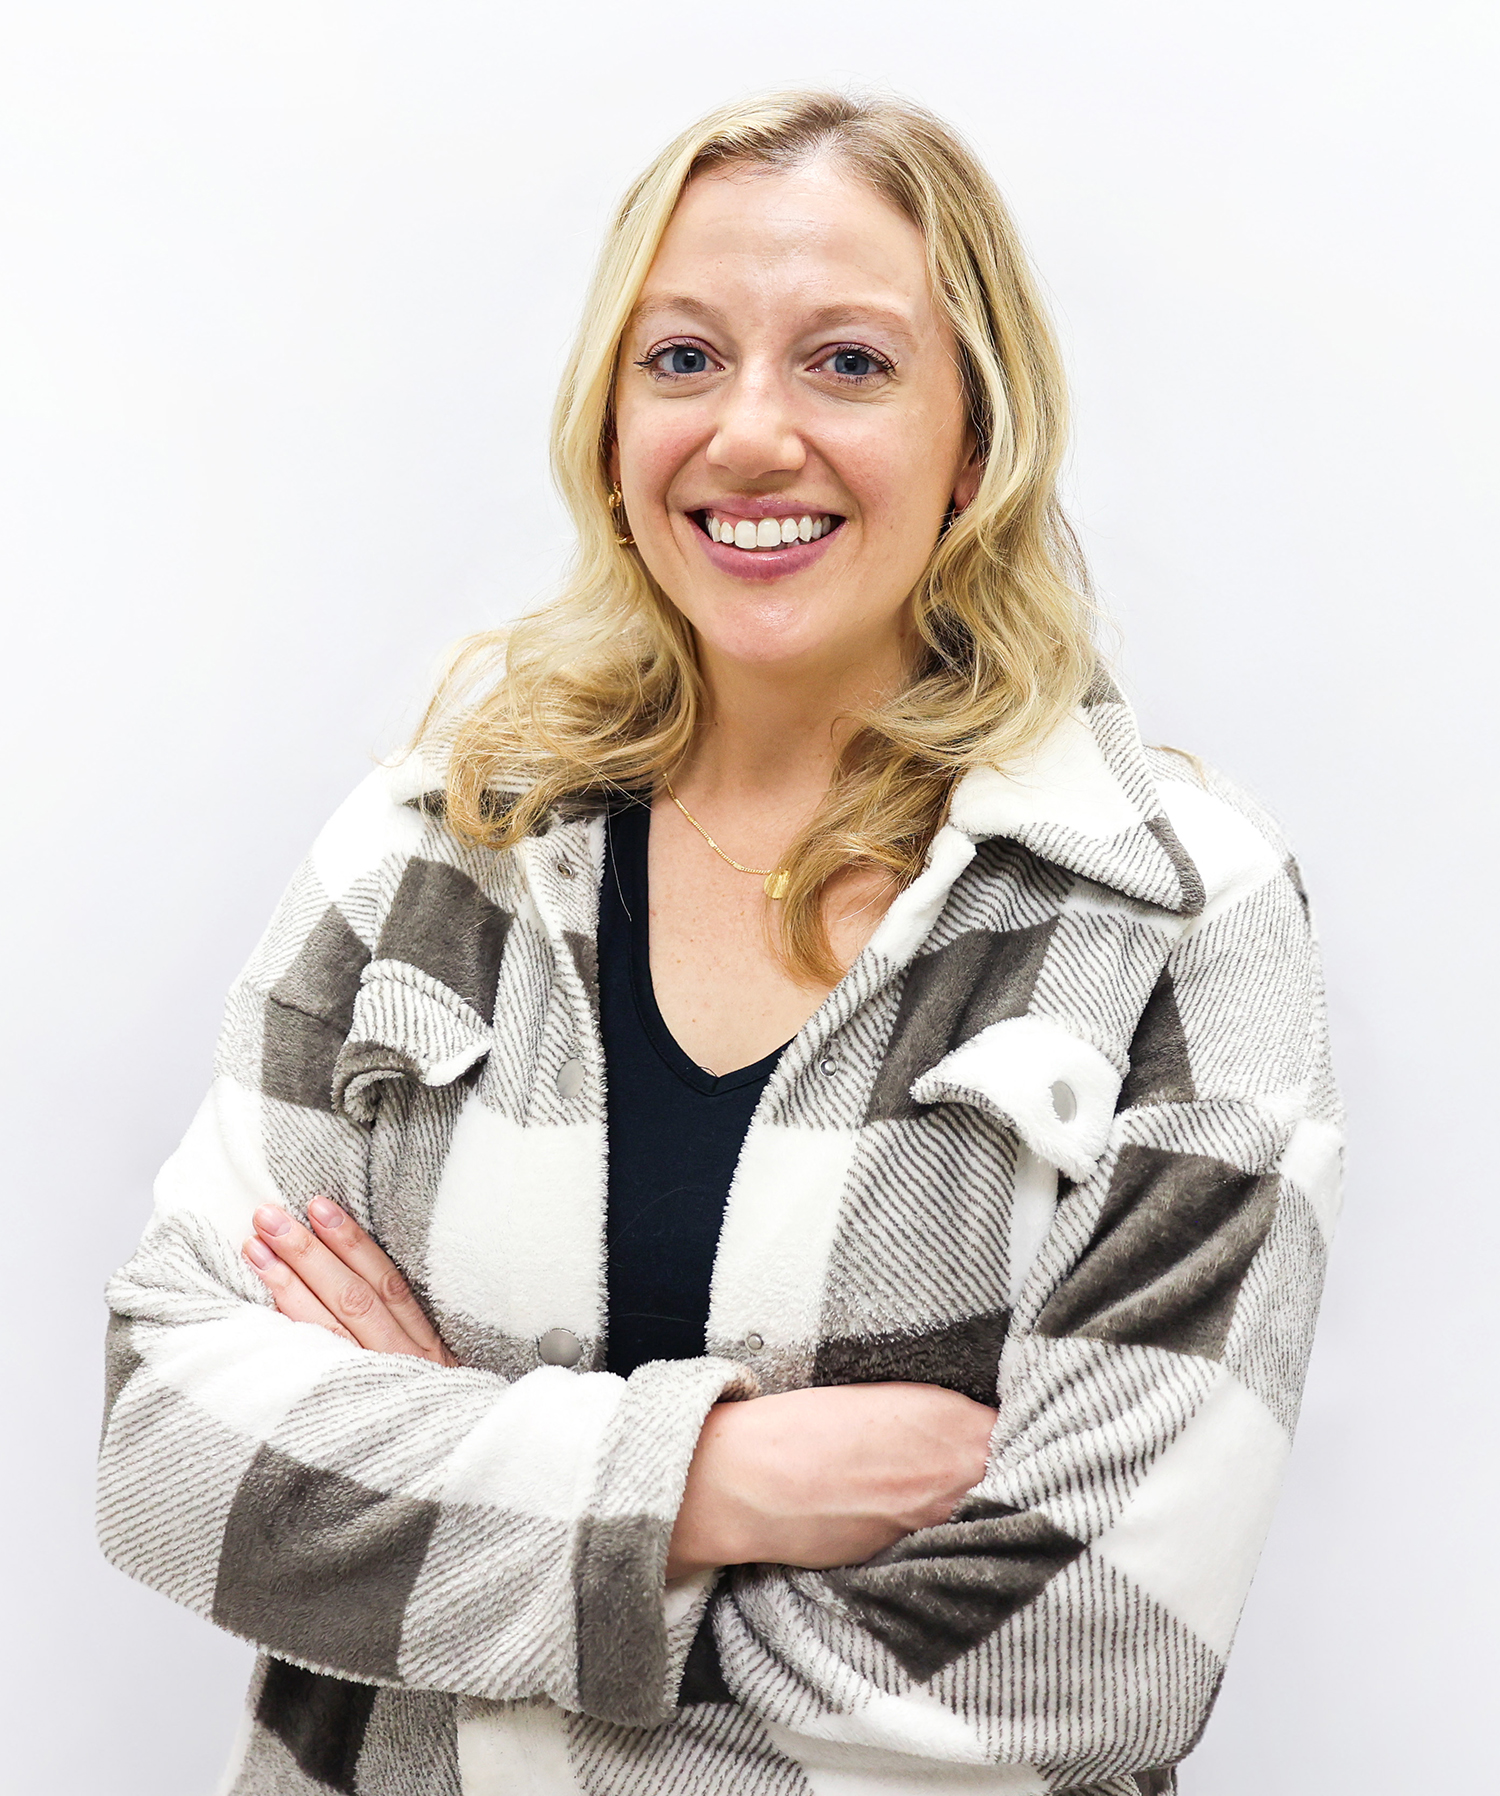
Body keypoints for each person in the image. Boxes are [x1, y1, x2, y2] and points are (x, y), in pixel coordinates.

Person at [98, 89, 1341, 1796]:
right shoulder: (424, 862)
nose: (752, 434)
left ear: (975, 439)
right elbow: (171, 1447)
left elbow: (1094, 1651)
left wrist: (451, 1504)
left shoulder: (1168, 911)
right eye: (683, 360)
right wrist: (707, 1487)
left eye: (847, 362)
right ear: (612, 421)